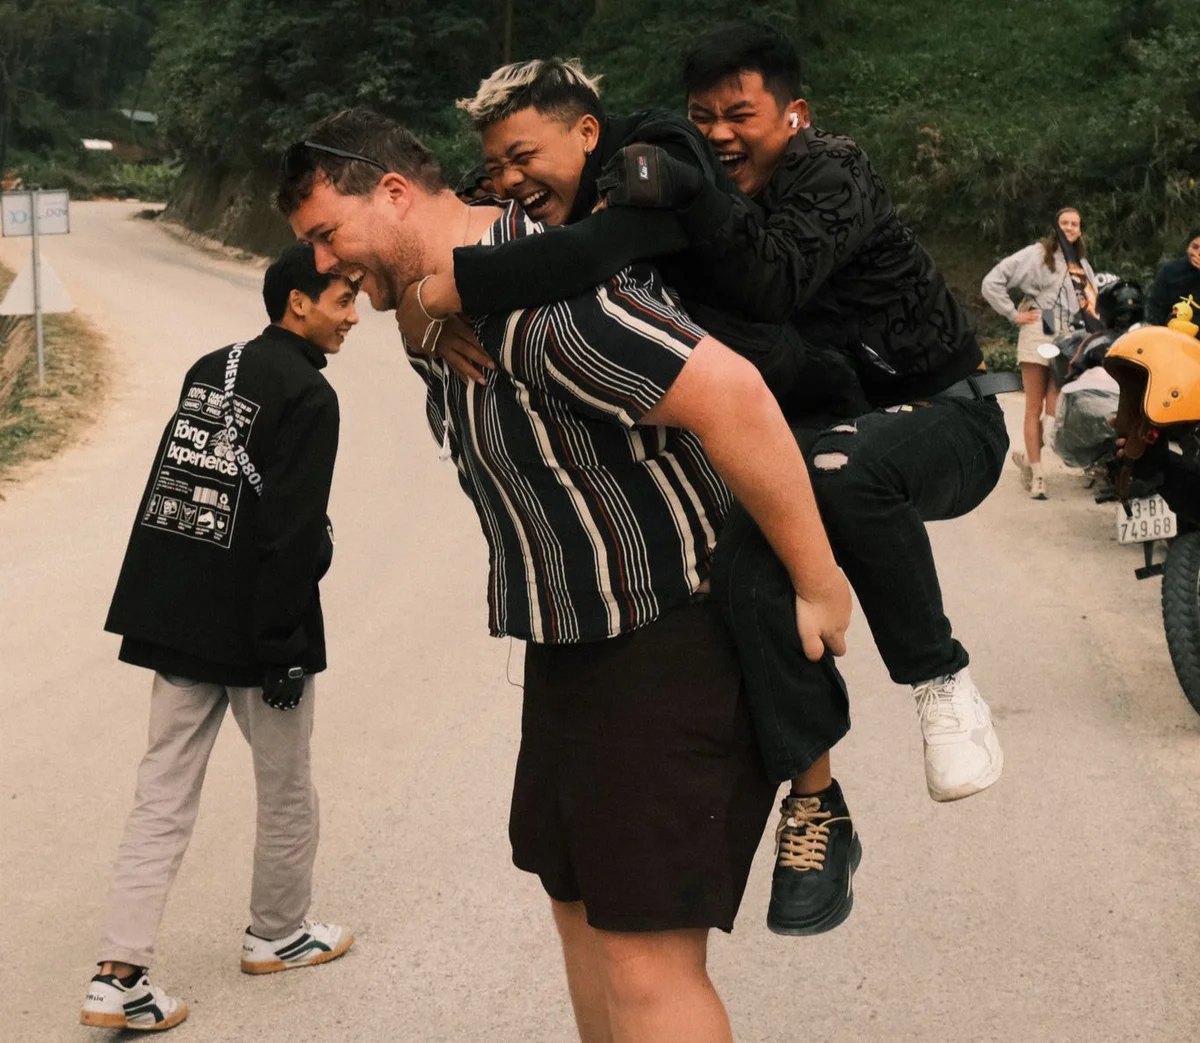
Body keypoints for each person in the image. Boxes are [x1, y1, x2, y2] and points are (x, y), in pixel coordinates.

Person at [416, 31, 1012, 936]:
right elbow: (431, 231)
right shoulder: (594, 183)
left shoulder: (790, 173)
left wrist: (453, 288)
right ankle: (817, 804)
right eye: (708, 117)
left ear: (795, 116)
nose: (723, 133)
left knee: (837, 480)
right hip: (818, 416)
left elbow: (765, 281)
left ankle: (942, 685)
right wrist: (422, 313)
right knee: (736, 567)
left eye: (742, 115)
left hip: (940, 409)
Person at [276, 107, 851, 1043]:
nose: (324, 266)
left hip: (671, 636)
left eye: (326, 236)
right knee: (581, 912)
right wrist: (417, 321)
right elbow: (425, 302)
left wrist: (819, 581)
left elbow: (734, 395)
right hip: (572, 640)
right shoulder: (440, 293)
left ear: (391, 193)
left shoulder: (548, 300)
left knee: (646, 959)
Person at [80, 244, 358, 1033]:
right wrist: (284, 645)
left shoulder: (213, 366)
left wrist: (159, 607)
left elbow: (182, 494)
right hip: (257, 629)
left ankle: (117, 974)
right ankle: (277, 933)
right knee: (287, 787)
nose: (352, 317)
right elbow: (293, 534)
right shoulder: (309, 394)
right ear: (297, 302)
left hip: (176, 617)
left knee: (160, 792)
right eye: (343, 299)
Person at [983, 207, 1098, 499]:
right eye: (1064, 223)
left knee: (1055, 411)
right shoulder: (1036, 255)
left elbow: (1094, 303)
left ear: (1080, 230)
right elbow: (992, 282)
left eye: (1075, 224)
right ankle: (1037, 473)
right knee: (1033, 406)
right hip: (1038, 326)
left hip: (1068, 336)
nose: (1070, 228)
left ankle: (1028, 454)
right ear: (1056, 227)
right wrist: (1012, 314)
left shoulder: (1081, 264)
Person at [1145, 229, 1200, 326]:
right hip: (1170, 334)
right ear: (1187, 248)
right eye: (1195, 247)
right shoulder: (1170, 271)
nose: (1199, 253)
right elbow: (1155, 308)